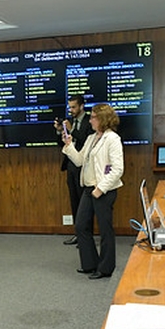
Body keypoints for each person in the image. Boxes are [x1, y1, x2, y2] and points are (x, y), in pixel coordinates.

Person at [61, 103, 124, 279]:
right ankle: (89, 264)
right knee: (81, 225)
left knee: (105, 230)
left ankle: (105, 268)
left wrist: (101, 188)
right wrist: (69, 145)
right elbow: (80, 160)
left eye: (93, 117)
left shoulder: (113, 139)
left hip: (104, 190)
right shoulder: (91, 138)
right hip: (89, 189)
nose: (90, 120)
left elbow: (118, 169)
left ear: (102, 119)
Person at [54, 95, 93, 245]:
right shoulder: (69, 122)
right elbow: (63, 145)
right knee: (74, 201)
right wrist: (60, 132)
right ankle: (78, 235)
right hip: (70, 165)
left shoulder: (90, 121)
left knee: (85, 205)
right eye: (69, 107)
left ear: (81, 106)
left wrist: (71, 129)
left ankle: (86, 237)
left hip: (84, 167)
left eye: (73, 107)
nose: (71, 110)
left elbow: (86, 140)